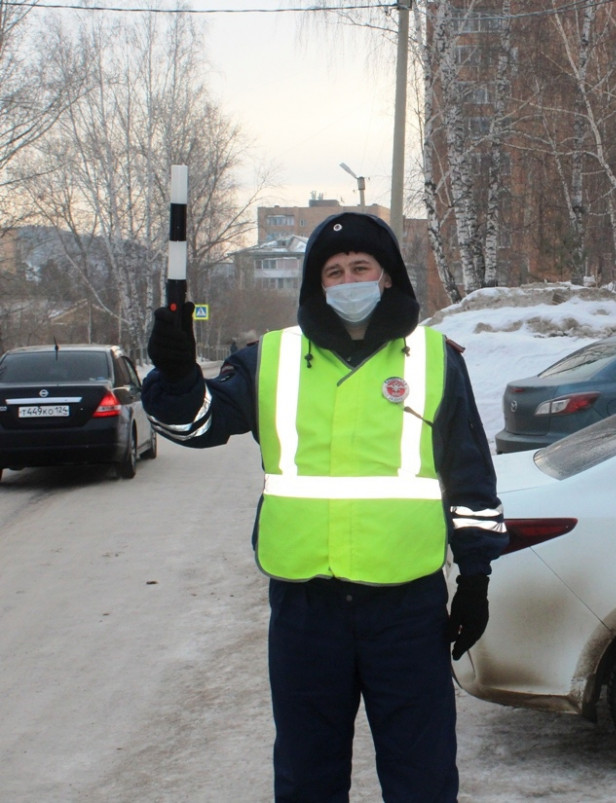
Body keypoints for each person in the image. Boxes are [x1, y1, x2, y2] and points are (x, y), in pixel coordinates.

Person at [143, 212, 507, 802]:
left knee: (423, 776)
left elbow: (470, 479)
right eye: (332, 272)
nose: (347, 281)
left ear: (387, 277)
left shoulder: (436, 358)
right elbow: (193, 425)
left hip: (407, 608)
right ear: (317, 285)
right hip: (305, 611)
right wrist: (178, 374)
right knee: (307, 778)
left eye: (360, 267)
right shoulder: (273, 359)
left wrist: (476, 577)